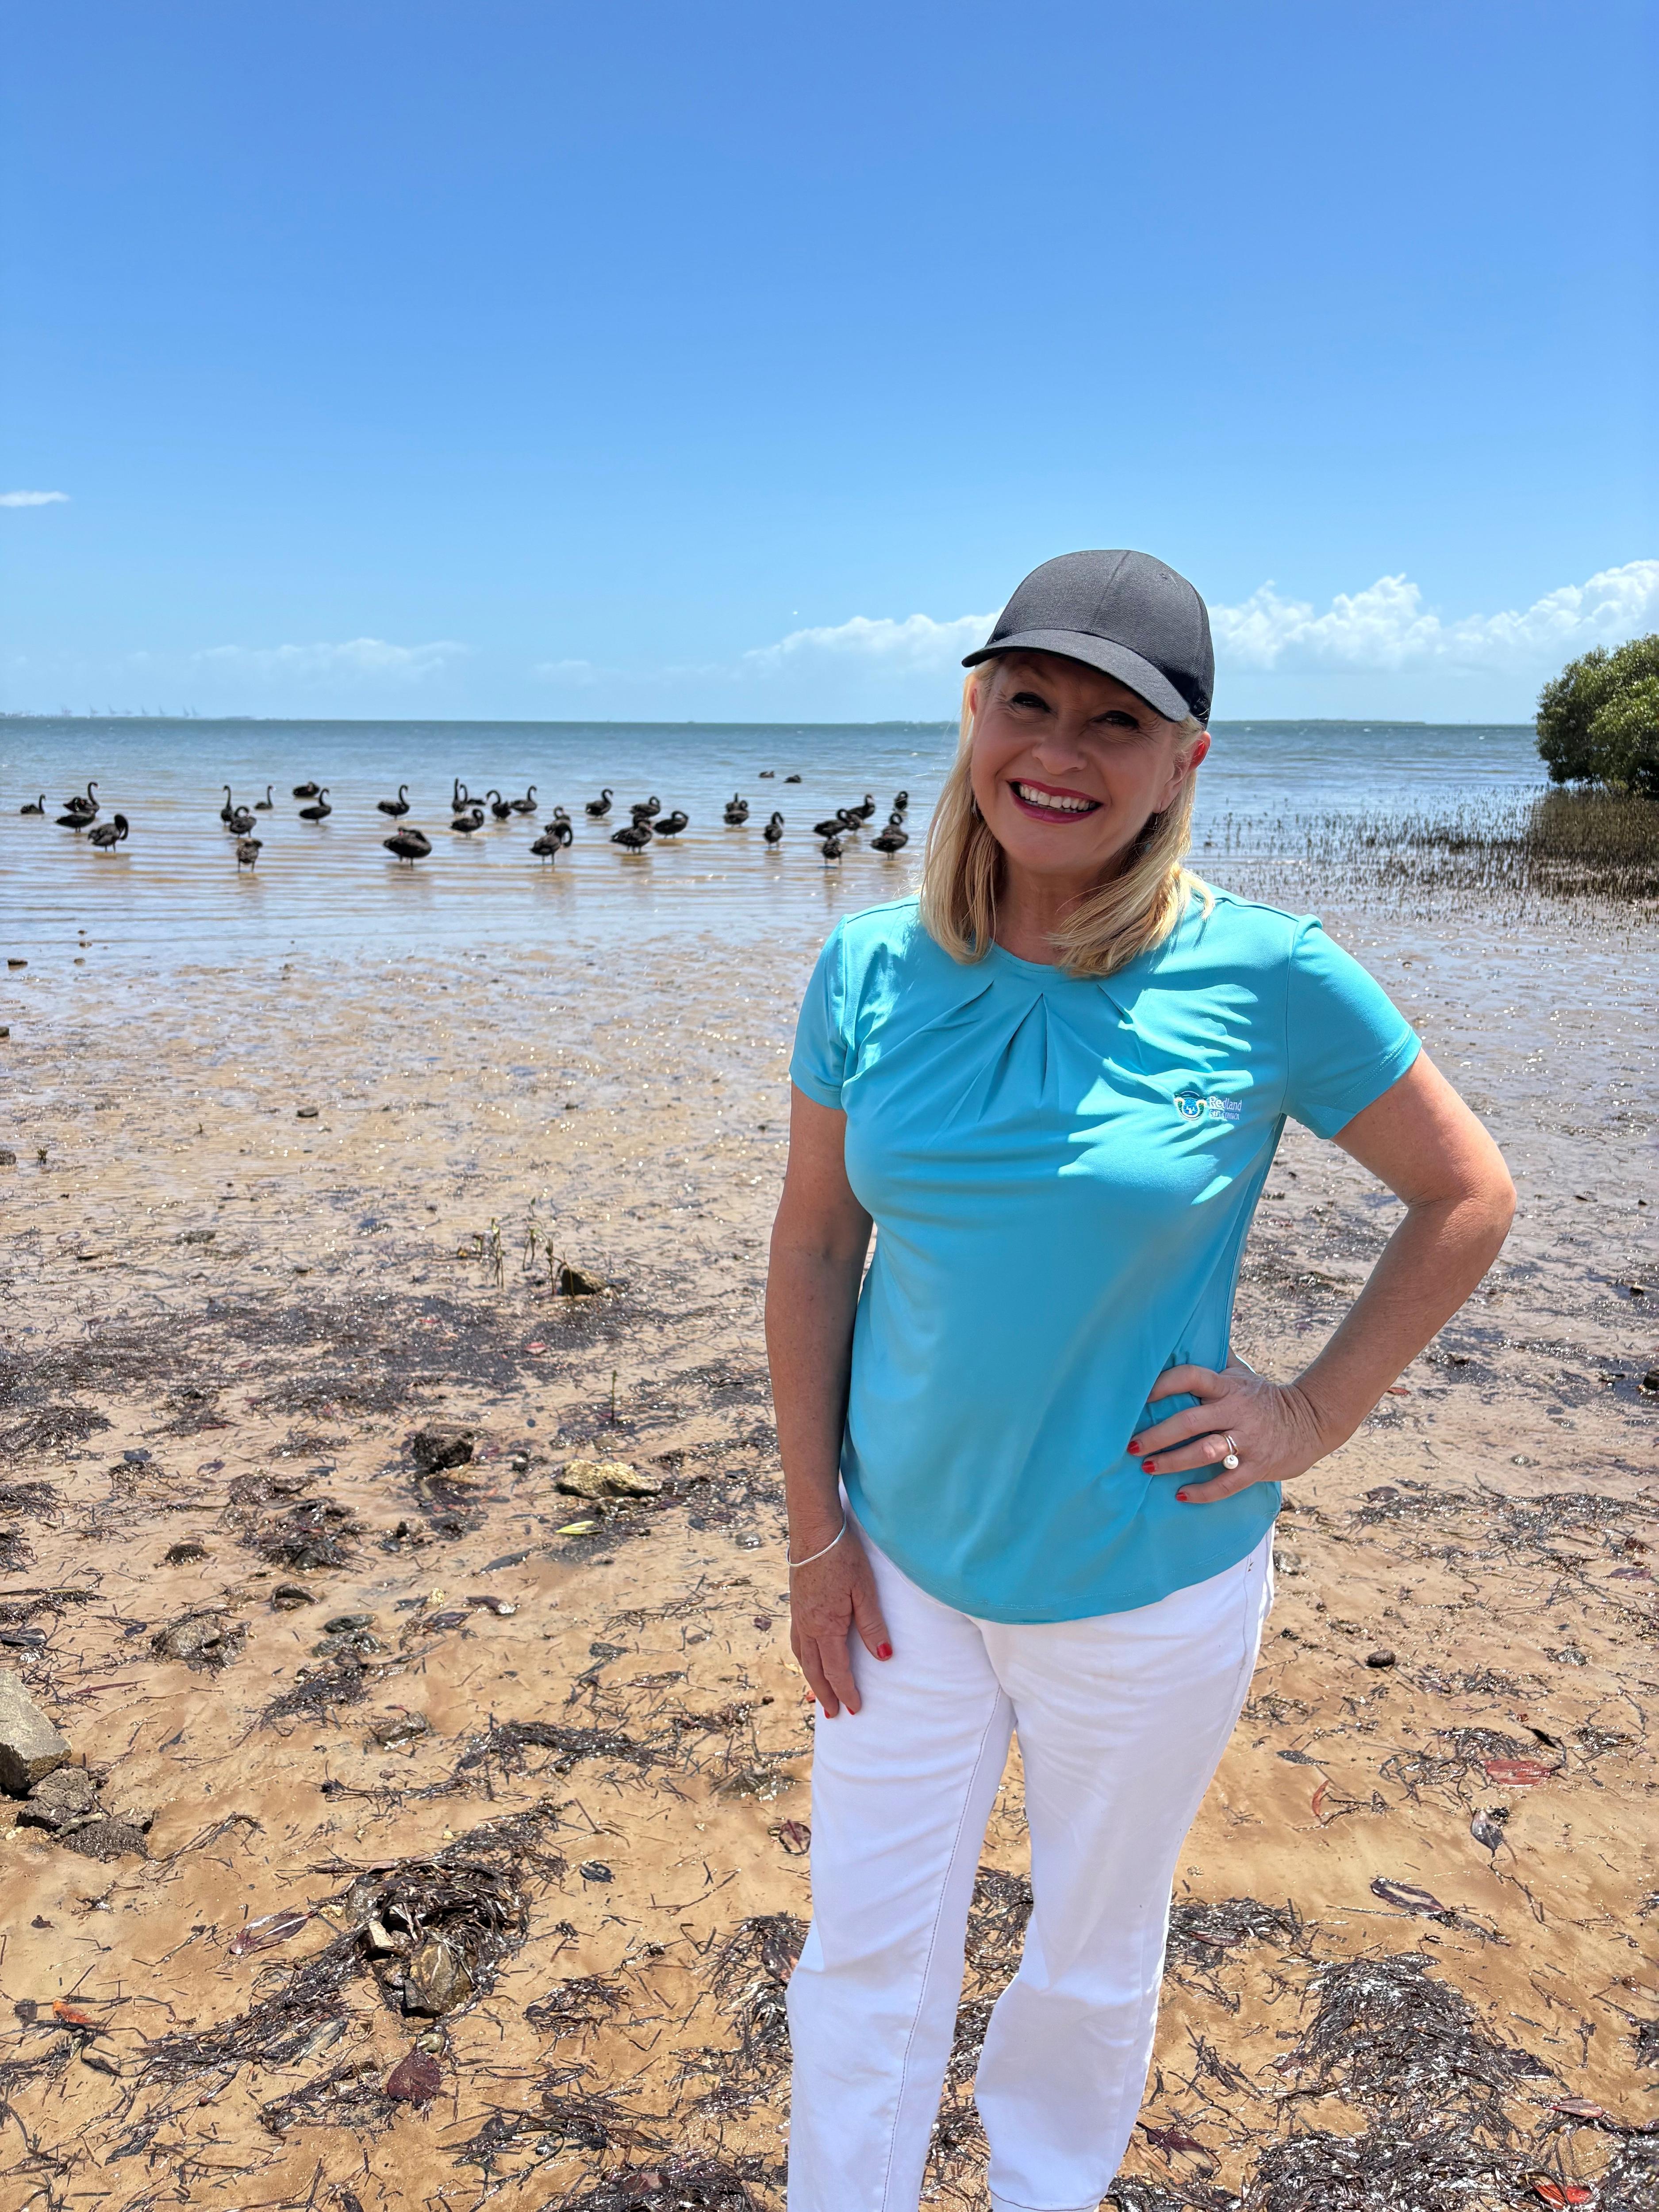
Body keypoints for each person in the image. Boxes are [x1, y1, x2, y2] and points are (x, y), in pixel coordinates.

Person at [764, 549, 1515, 2212]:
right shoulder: (869, 968)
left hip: (1145, 1581)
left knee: (1088, 1964)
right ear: (975, 713)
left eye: (1121, 719)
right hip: (895, 1572)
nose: (1062, 748)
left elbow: (1467, 1198)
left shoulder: (1266, 973)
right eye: (1028, 701)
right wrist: (815, 1536)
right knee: (864, 1959)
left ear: (1187, 761)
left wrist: (1309, 1416)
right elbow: (818, 1250)